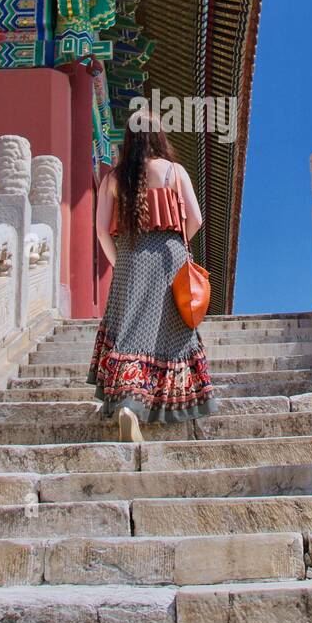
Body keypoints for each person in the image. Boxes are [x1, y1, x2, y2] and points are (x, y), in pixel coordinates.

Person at [88, 108, 216, 442]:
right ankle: (166, 401)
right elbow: (196, 219)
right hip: (170, 255)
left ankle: (128, 402)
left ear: (129, 138)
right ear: (158, 136)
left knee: (131, 327)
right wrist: (178, 243)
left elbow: (101, 231)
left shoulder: (113, 179)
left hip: (131, 256)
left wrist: (119, 263)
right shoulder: (174, 171)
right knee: (172, 329)